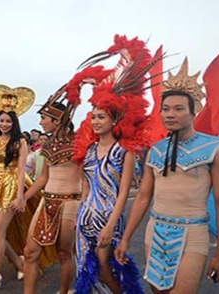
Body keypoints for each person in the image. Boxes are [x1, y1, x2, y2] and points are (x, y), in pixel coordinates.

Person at [114, 58, 219, 293]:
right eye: (165, 109)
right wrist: (126, 238)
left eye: (178, 109)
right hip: (156, 231)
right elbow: (142, 198)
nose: (170, 114)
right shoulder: (155, 150)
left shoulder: (215, 151)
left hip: (194, 233)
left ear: (193, 111)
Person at [64, 35, 159, 293]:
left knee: (106, 267)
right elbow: (86, 184)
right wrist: (79, 210)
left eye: (101, 117)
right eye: (93, 116)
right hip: (85, 215)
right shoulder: (90, 149)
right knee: (85, 267)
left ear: (113, 120)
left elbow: (124, 192)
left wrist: (110, 225)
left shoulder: (123, 151)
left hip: (108, 216)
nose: (95, 121)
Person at [22, 86, 82, 294]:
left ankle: (64, 291)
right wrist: (24, 197)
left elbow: (87, 179)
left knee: (64, 253)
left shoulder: (79, 144)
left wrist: (84, 208)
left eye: (44, 118)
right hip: (47, 203)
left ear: (56, 120)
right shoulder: (47, 146)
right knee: (30, 252)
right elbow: (43, 178)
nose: (40, 123)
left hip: (71, 203)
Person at [0, 85, 35, 292]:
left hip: (11, 185)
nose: (4, 124)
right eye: (2, 120)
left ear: (14, 123)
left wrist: (20, 196)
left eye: (8, 121)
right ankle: (19, 263)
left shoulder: (20, 141)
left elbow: (21, 171)